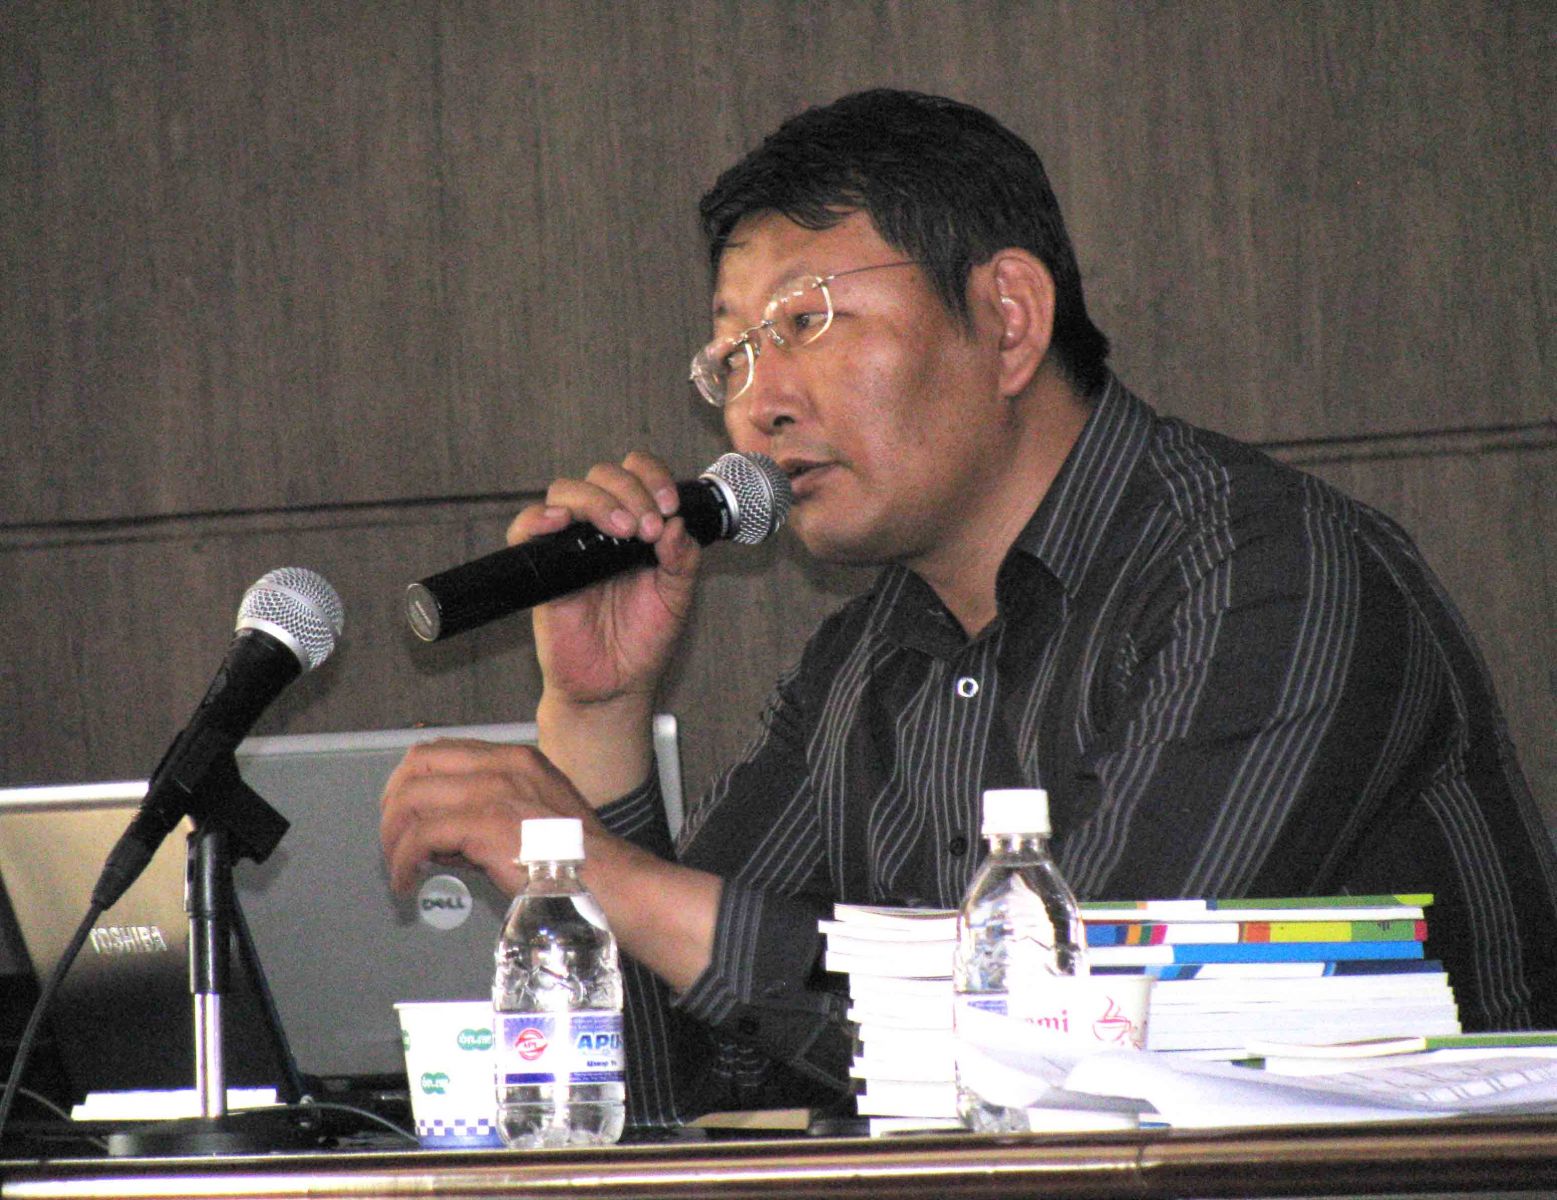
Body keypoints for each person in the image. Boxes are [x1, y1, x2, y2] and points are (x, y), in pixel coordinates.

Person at [380, 89, 1557, 1127]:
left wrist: (606, 874)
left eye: (804, 322)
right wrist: (598, 719)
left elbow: (1076, 1047)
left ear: (1007, 319)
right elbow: (665, 1094)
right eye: (731, 357)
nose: (756, 406)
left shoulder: (1277, 578)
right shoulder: (861, 666)